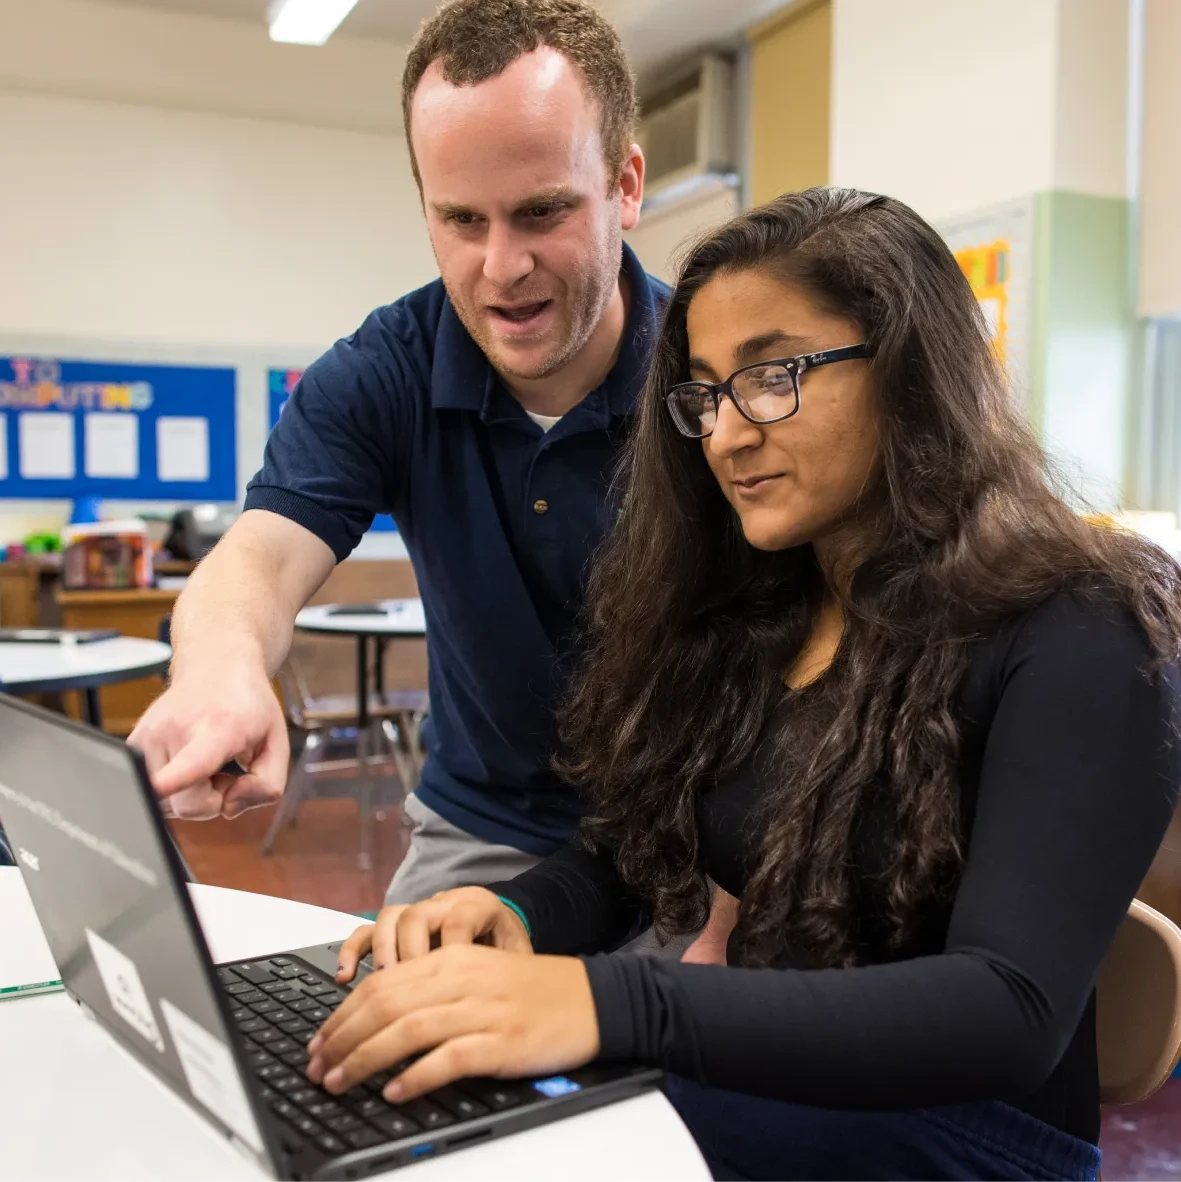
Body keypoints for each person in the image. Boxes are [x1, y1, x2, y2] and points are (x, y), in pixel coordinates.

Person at [303, 189, 1181, 1181]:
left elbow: (1006, 1009)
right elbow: (636, 854)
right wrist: (516, 916)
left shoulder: (1082, 623)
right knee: (432, 1114)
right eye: (706, 392)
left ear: (906, 367)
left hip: (968, 1139)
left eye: (770, 376)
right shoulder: (769, 605)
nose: (723, 433)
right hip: (779, 1097)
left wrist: (604, 1003)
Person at [128, 0, 728, 931]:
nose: (501, 266)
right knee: (383, 1051)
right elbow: (257, 559)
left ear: (625, 184)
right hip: (482, 828)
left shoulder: (715, 372)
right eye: (460, 219)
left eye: (542, 211)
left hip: (707, 834)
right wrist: (219, 668)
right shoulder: (383, 373)